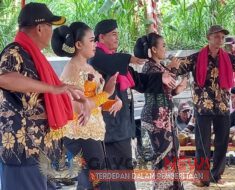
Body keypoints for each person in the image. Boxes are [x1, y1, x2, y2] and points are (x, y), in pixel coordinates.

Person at [0, 3, 86, 190]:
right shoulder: (14, 51)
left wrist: (78, 100)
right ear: (40, 28)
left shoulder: (34, 56)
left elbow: (41, 98)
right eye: (50, 26)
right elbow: (5, 78)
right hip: (22, 152)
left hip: (40, 153)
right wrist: (53, 88)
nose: (52, 32)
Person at [89, 19, 177, 190]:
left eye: (118, 34)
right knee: (112, 175)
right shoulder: (97, 57)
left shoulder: (117, 61)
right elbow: (105, 61)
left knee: (124, 173)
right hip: (108, 126)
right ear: (101, 37)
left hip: (121, 126)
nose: (117, 38)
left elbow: (140, 82)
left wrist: (161, 78)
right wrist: (130, 58)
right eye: (113, 34)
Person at [172, 25, 235, 187]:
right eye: (216, 37)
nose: (220, 40)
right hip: (202, 107)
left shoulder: (229, 58)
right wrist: (169, 65)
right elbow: (176, 69)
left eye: (222, 37)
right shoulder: (195, 58)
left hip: (222, 107)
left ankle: (217, 174)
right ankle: (202, 177)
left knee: (222, 143)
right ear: (208, 38)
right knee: (202, 144)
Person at [51, 22, 119, 189]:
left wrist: (112, 102)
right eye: (91, 40)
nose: (95, 44)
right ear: (79, 45)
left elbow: (92, 102)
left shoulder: (87, 67)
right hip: (80, 133)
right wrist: (107, 93)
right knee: (93, 181)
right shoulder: (72, 69)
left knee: (96, 180)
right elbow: (76, 106)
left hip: (91, 131)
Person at [134, 32, 187, 189]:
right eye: (163, 45)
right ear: (154, 50)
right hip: (155, 119)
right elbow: (154, 83)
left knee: (172, 153)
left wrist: (179, 88)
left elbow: (167, 91)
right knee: (162, 157)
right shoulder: (149, 67)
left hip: (166, 118)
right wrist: (172, 68)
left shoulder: (161, 66)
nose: (165, 49)